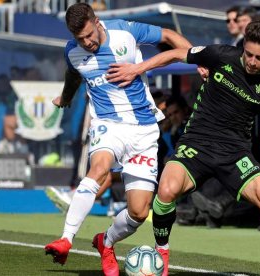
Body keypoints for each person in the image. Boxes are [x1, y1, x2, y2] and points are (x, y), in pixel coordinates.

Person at [107, 21, 260, 276]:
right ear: (243, 46)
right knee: (166, 190)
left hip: (234, 153)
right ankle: (162, 253)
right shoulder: (222, 55)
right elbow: (177, 53)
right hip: (196, 143)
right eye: (249, 54)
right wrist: (137, 68)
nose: (252, 62)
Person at [44, 3, 193, 276]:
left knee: (138, 212)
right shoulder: (72, 51)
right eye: (80, 39)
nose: (87, 42)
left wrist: (199, 60)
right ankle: (66, 238)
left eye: (89, 35)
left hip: (144, 129)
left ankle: (106, 242)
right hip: (107, 125)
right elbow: (73, 74)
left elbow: (169, 36)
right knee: (99, 169)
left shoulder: (124, 32)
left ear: (97, 21)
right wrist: (65, 98)